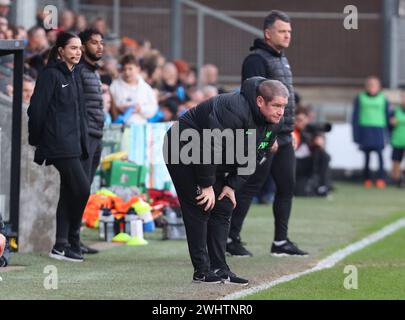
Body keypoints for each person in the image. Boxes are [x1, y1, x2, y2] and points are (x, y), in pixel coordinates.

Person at [164, 77, 287, 285]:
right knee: (200, 204)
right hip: (182, 147)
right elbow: (209, 146)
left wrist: (231, 186)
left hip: (213, 154)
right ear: (259, 101)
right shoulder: (233, 109)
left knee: (224, 206)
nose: (280, 111)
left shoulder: (275, 122)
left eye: (283, 106)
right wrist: (206, 185)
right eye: (276, 105)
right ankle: (202, 271)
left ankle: (220, 268)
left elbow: (256, 156)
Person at [227, 10, 308, 257]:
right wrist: (266, 136)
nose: (287, 36)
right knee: (249, 186)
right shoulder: (256, 60)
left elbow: (284, 102)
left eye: (289, 32)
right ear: (267, 33)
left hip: (283, 136)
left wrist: (289, 131)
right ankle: (230, 238)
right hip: (265, 137)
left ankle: (280, 242)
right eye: (282, 31)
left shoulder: (281, 58)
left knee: (286, 186)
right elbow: (253, 100)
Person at [27, 32, 90, 262]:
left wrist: (84, 143)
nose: (78, 52)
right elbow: (36, 110)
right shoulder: (50, 75)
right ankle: (73, 240)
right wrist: (36, 140)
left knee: (70, 191)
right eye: (73, 48)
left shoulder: (75, 75)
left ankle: (60, 245)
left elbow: (79, 114)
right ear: (61, 50)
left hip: (74, 144)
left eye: (79, 48)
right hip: (58, 143)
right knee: (83, 189)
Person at [76, 28, 105, 254]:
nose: (99, 46)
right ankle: (68, 240)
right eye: (94, 42)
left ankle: (75, 237)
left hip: (97, 134)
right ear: (83, 46)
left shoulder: (94, 71)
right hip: (85, 136)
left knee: (85, 189)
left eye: (100, 42)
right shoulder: (79, 71)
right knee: (78, 188)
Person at [352, 76, 389, 188]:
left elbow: (388, 114)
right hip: (365, 128)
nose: (372, 87)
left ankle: (381, 179)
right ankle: (367, 179)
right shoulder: (360, 98)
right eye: (370, 85)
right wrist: (356, 133)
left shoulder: (383, 98)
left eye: (374, 85)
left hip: (378, 128)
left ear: (378, 87)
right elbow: (355, 115)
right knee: (367, 156)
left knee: (380, 155)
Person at [294, 106, 332, 197]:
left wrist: (317, 143)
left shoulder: (311, 131)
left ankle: (322, 186)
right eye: (298, 120)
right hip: (292, 162)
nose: (300, 122)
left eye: (302, 120)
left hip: (306, 163)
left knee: (324, 156)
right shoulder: (292, 130)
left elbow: (321, 151)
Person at [109, 54, 157, 124]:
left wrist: (140, 109)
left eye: (130, 69)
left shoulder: (145, 88)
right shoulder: (114, 86)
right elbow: (107, 106)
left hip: (140, 126)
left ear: (138, 69)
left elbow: (153, 108)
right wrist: (117, 108)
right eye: (124, 69)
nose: (127, 72)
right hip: (119, 127)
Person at [389, 88, 405, 188]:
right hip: (398, 140)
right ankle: (397, 180)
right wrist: (392, 123)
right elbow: (389, 125)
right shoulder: (395, 111)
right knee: (396, 162)